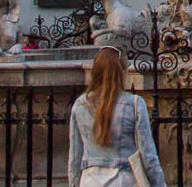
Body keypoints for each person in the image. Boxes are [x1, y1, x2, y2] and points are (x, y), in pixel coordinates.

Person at [68, 46, 166, 187]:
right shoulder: (134, 103)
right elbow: (148, 157)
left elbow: (74, 159)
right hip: (123, 178)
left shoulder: (80, 104)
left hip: (89, 180)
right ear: (122, 72)